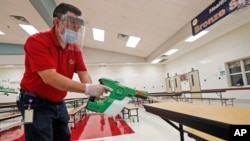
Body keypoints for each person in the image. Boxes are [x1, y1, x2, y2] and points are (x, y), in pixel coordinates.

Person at [17, 3, 111, 141]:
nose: (75, 31)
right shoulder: (37, 41)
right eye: (72, 26)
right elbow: (49, 77)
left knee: (64, 136)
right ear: (56, 22)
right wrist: (87, 88)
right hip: (35, 103)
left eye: (78, 29)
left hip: (58, 102)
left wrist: (92, 92)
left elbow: (83, 73)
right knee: (40, 137)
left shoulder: (74, 48)